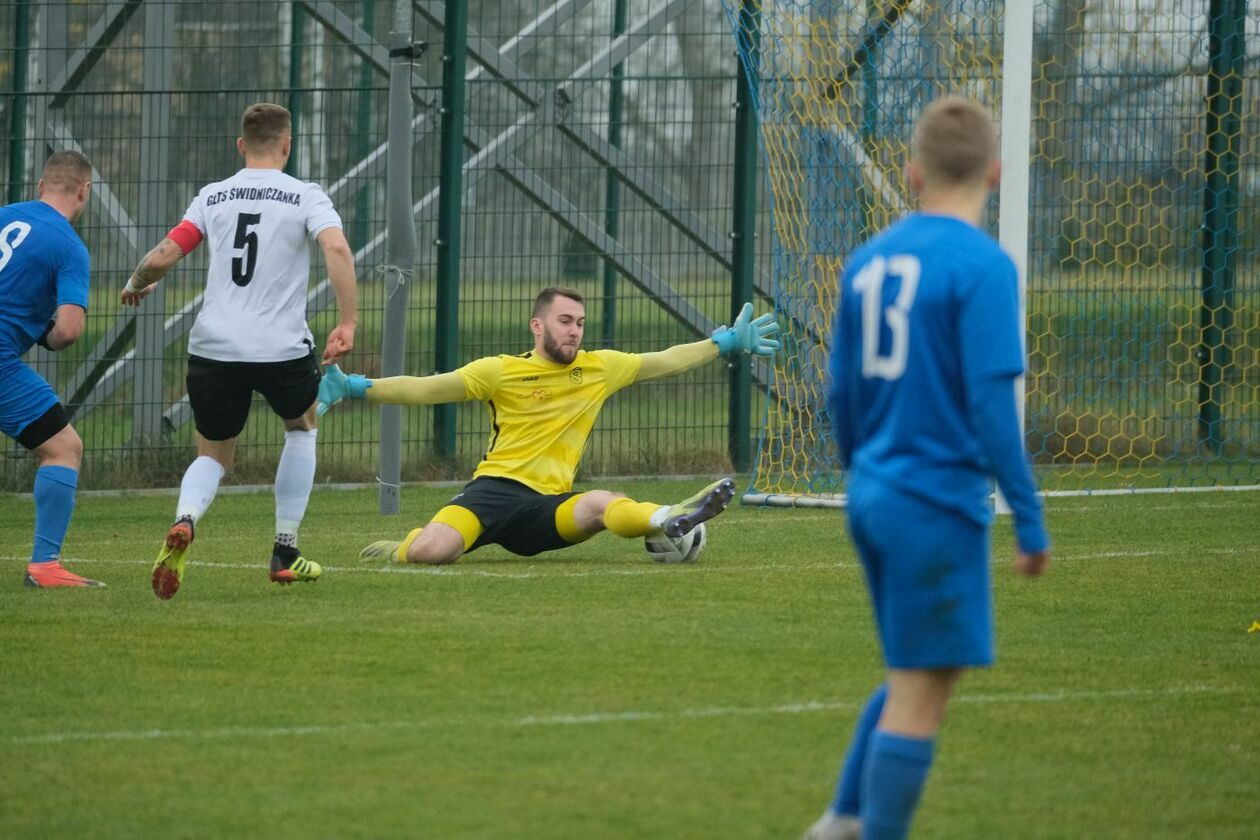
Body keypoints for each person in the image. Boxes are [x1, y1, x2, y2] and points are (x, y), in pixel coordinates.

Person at [803, 97, 1051, 840]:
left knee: (908, 672)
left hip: (874, 490)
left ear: (911, 173)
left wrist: (864, 471)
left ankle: (842, 821)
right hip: (934, 499)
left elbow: (841, 391)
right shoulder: (982, 265)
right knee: (922, 692)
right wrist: (1030, 516)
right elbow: (989, 403)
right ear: (996, 172)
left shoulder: (868, 258)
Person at [317, 287, 780, 565]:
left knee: (602, 502)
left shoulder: (601, 367)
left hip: (548, 508)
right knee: (429, 554)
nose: (575, 331)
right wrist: (354, 386)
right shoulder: (500, 370)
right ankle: (401, 546)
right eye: (564, 321)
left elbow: (666, 360)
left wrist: (724, 342)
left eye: (579, 322)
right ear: (537, 326)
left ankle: (667, 518)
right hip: (492, 493)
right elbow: (425, 389)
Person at [121, 102, 358, 600]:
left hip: (214, 346)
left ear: (240, 145)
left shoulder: (213, 195)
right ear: (287, 145)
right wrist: (348, 321)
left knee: (213, 453)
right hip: (280, 347)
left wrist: (138, 281)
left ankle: (185, 519)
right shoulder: (304, 196)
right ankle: (285, 549)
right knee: (302, 425)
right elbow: (336, 248)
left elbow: (168, 251)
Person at [0, 151, 104, 588]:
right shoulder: (68, 246)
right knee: (63, 448)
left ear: (41, 185)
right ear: (84, 192)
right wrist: (42, 331)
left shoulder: (5, 214)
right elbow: (68, 331)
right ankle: (45, 567)